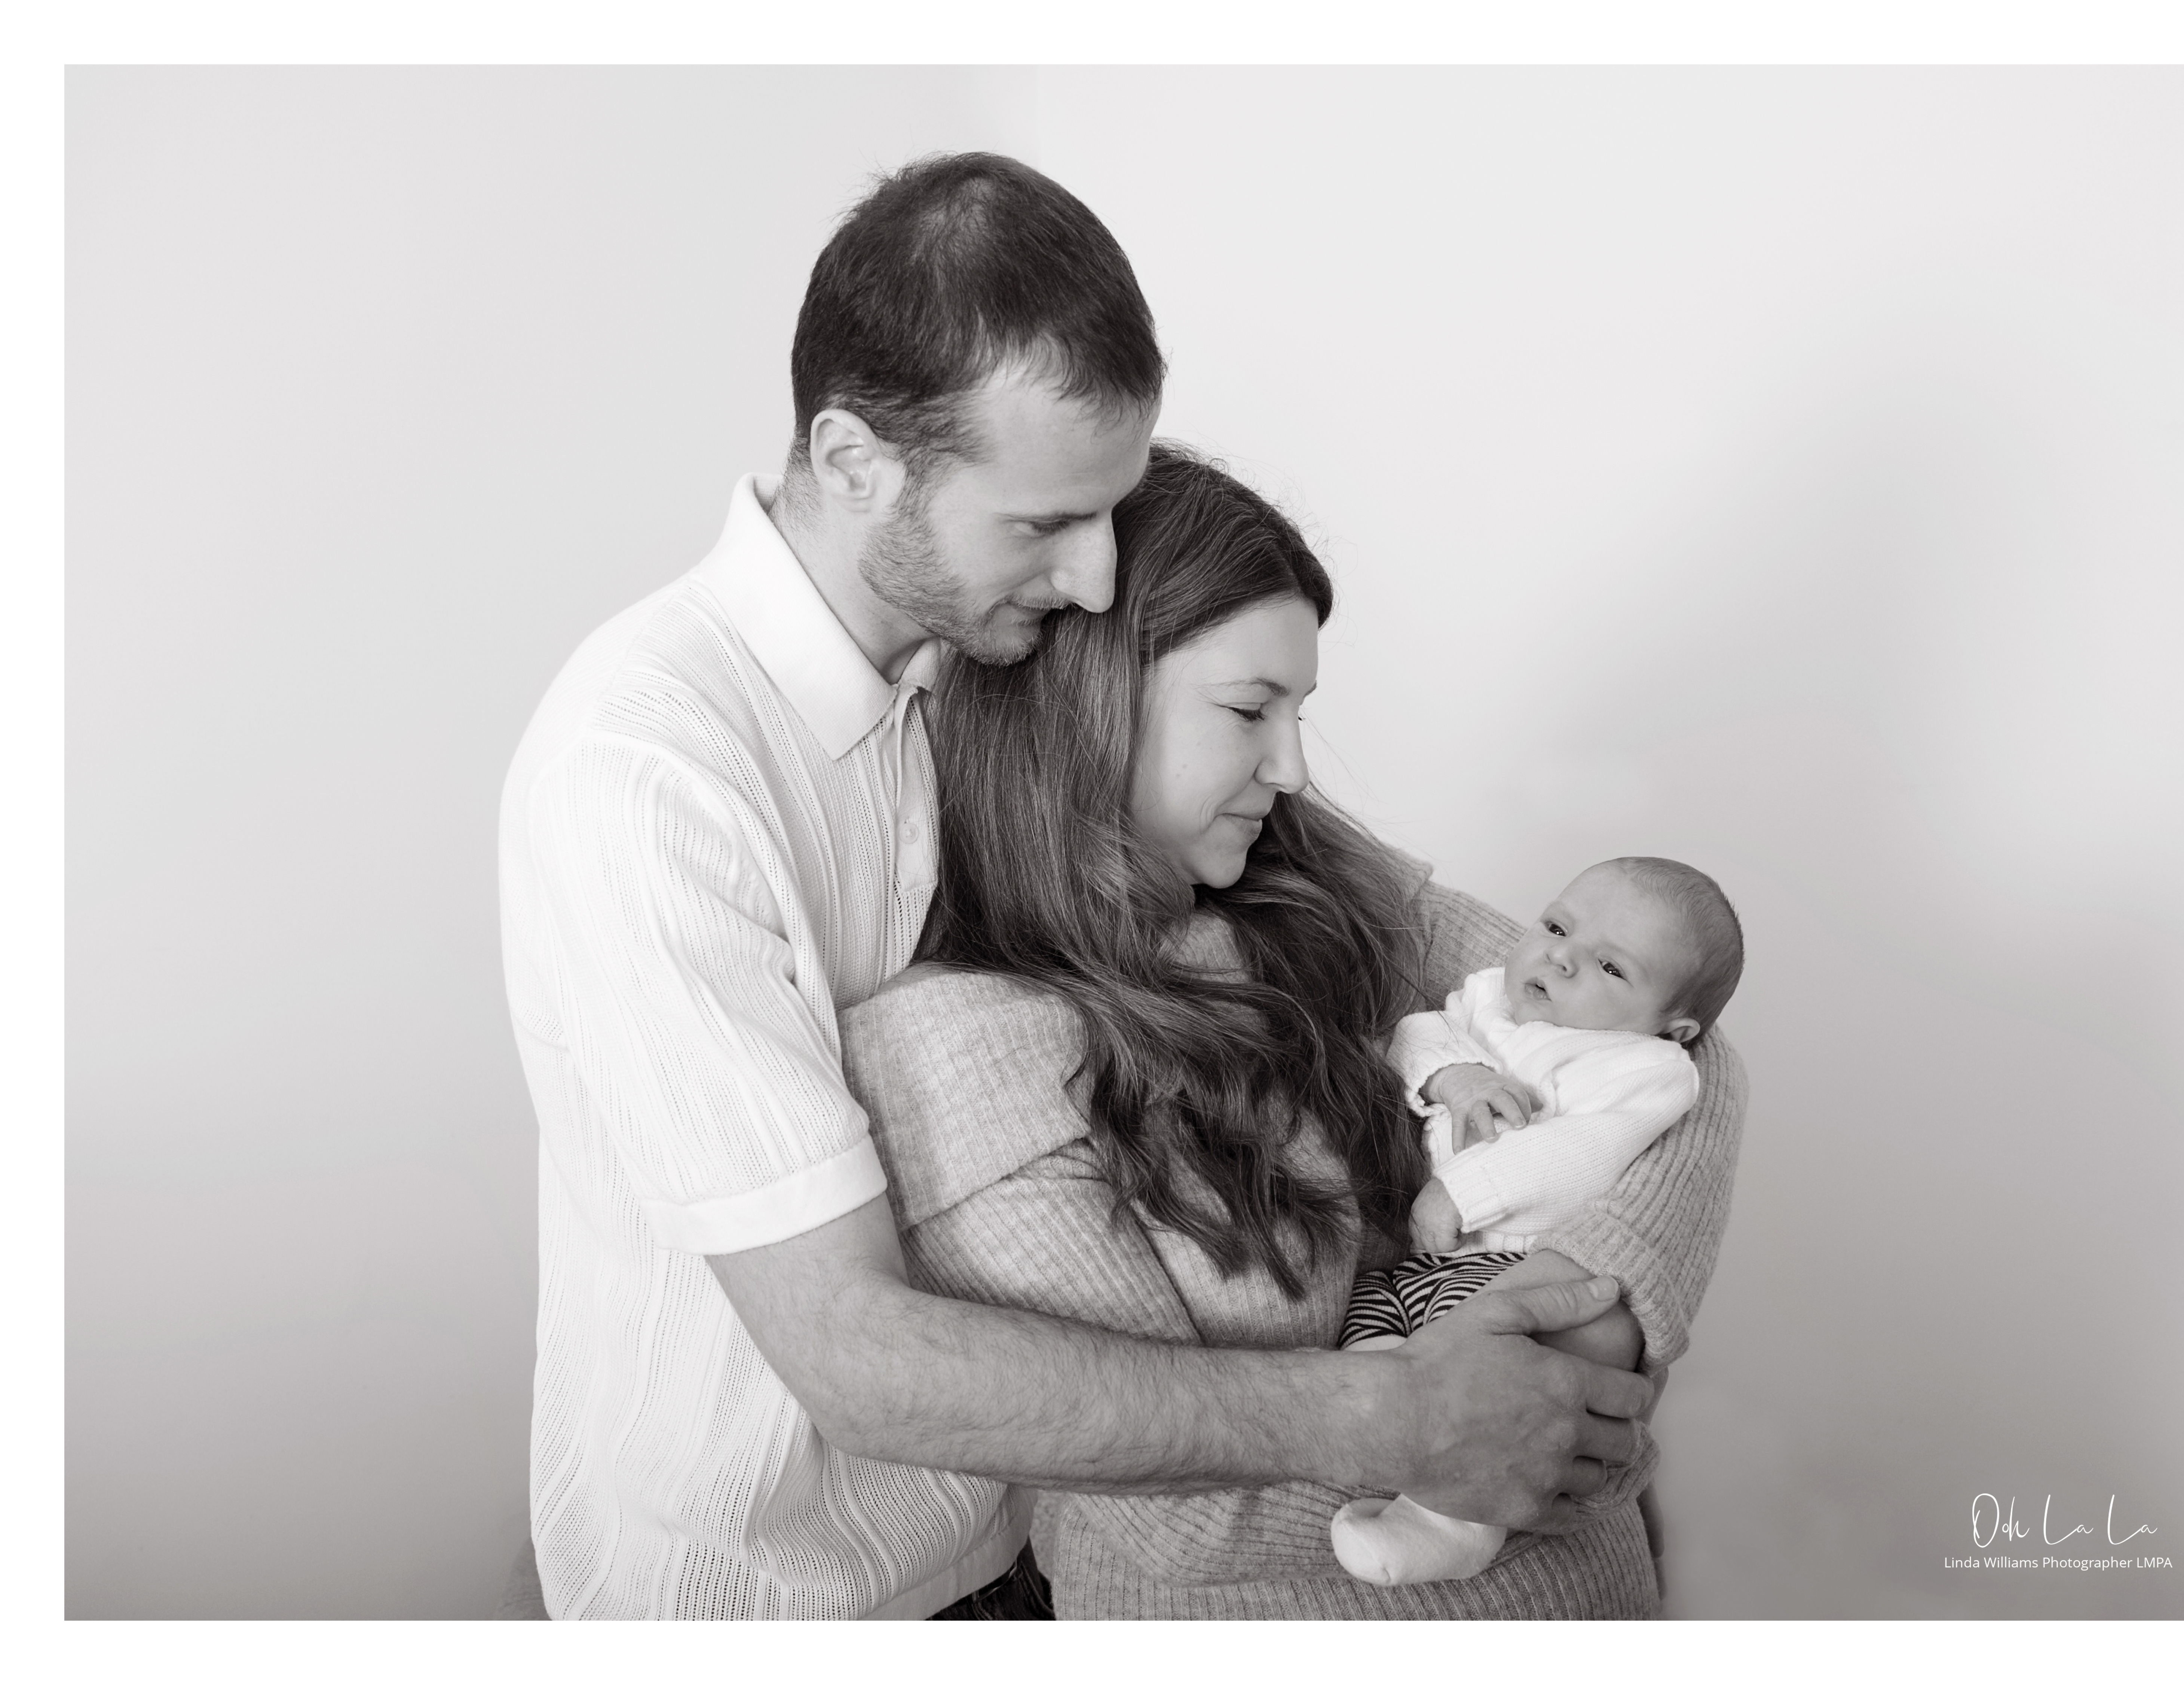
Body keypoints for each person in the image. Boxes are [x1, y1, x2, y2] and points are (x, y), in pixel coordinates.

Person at [497, 153, 1667, 1620]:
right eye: (1047, 522)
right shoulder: (650, 778)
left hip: (1029, 1536)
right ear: (855, 463)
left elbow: (1645, 1008)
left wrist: (1611, 1261)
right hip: (772, 1592)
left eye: (1110, 509)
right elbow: (851, 1352)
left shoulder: (1006, 660)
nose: (1103, 577)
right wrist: (1405, 1416)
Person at [839, 446, 1749, 1617]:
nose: (1295, 766)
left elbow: (1680, 1046)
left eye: (1300, 709)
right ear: (1085, 711)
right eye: (1248, 711)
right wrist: (1443, 1427)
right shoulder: (961, 1055)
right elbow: (1163, 1514)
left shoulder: (1301, 865)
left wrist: (1591, 1341)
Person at [1333, 855, 1747, 1585]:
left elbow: (1578, 1155)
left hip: (1507, 1265)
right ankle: (1371, 1421)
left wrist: (1463, 1192)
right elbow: (1416, 1033)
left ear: (1673, 1027)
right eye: (1557, 924)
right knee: (1368, 1327)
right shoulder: (1488, 997)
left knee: (1496, 1381)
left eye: (1610, 968)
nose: (1560, 954)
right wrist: (1457, 1075)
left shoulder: (1644, 1070)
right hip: (1407, 1258)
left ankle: (1451, 1521)